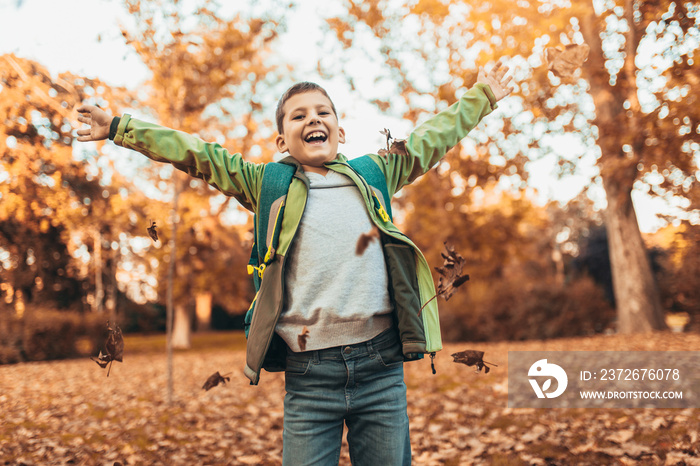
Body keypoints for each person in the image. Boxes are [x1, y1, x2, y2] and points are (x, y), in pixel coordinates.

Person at [77, 62, 513, 465]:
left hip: (381, 368)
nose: (313, 119)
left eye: (323, 112)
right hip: (309, 376)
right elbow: (198, 154)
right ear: (282, 140)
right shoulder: (266, 183)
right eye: (299, 115)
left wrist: (482, 96)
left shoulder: (376, 174)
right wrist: (119, 127)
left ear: (341, 132)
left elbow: (430, 138)